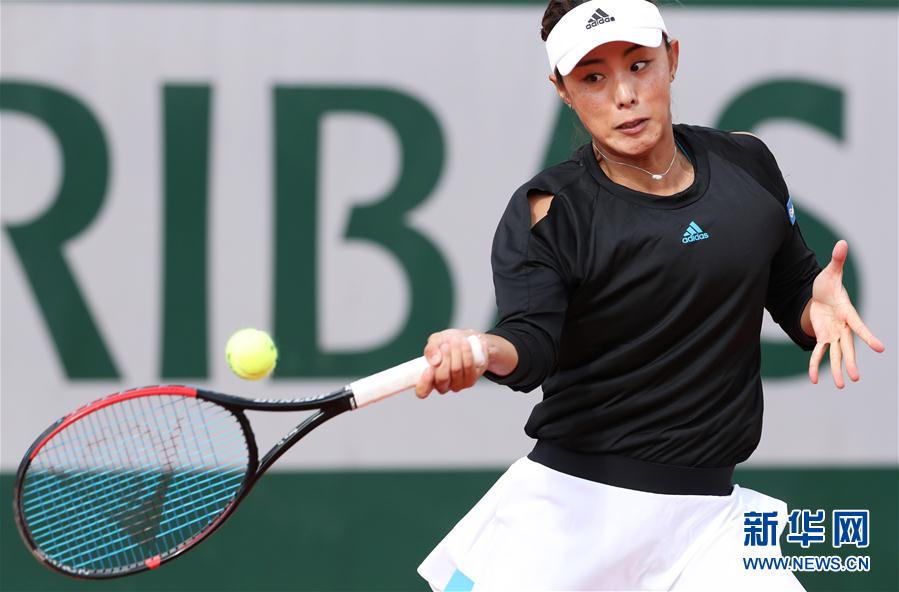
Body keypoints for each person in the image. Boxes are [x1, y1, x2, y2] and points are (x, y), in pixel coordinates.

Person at [414, 0, 885, 590]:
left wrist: (815, 309)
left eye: (639, 65)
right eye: (593, 78)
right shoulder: (551, 210)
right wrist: (483, 350)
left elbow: (793, 290)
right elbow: (529, 343)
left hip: (710, 523)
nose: (624, 95)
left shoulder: (747, 163)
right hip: (571, 517)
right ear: (562, 90)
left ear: (672, 59)